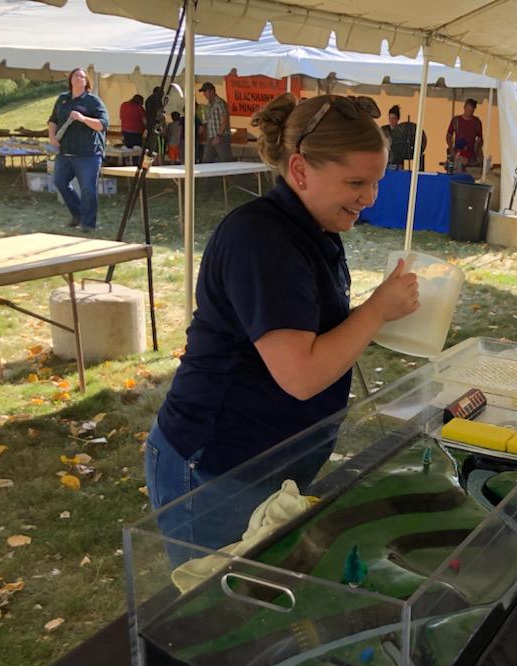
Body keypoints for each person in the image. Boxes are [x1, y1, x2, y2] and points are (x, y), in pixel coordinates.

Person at [145, 93, 419, 552]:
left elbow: (313, 336)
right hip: (217, 466)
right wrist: (375, 311)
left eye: (376, 182)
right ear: (299, 171)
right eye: (355, 182)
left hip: (269, 461)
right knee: (217, 609)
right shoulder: (262, 240)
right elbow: (301, 375)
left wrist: (380, 316)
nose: (369, 198)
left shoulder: (314, 230)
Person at [47, 67, 108, 231]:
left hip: (88, 153)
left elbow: (103, 124)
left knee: (88, 189)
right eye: (76, 75)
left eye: (82, 76)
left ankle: (88, 225)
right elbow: (53, 120)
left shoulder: (93, 101)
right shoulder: (62, 99)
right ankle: (78, 214)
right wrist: (52, 136)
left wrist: (83, 118)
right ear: (71, 80)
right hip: (65, 152)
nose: (79, 78)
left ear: (87, 81)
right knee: (60, 182)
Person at [382, 104, 426, 170]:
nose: (391, 120)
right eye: (390, 118)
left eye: (393, 118)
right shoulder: (384, 130)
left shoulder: (402, 131)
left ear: (397, 119)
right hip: (385, 162)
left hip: (398, 163)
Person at [199, 81, 232, 162]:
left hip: (221, 136)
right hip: (211, 136)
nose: (204, 94)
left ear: (211, 91)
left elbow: (225, 120)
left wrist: (218, 135)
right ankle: (210, 174)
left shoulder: (220, 103)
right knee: (206, 160)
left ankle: (228, 175)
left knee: (225, 160)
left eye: (205, 92)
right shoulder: (208, 105)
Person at [445, 97, 482, 169]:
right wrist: (451, 149)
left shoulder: (477, 122)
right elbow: (448, 136)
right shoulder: (456, 120)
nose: (469, 113)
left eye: (472, 111)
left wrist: (478, 147)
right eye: (468, 110)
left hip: (471, 157)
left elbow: (480, 139)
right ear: (464, 107)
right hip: (458, 155)